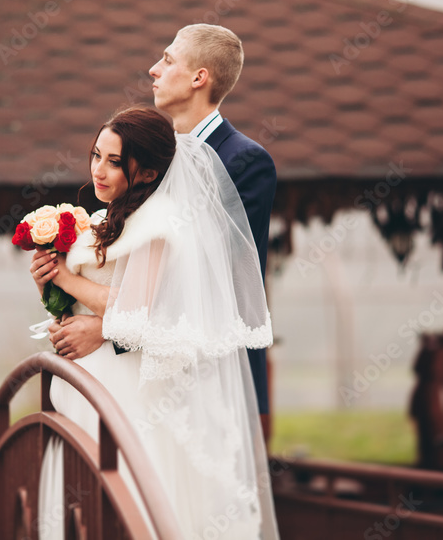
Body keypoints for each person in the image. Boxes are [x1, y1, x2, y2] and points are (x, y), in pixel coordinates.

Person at [29, 106, 279, 539]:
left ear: (145, 173)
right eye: (96, 156)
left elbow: (139, 310)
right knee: (84, 507)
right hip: (88, 384)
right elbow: (88, 303)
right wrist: (51, 289)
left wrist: (68, 279)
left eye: (113, 162)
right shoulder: (106, 219)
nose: (98, 170)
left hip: (129, 391)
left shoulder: (159, 223)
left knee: (125, 501)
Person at [49, 23, 278, 440]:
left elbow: (213, 281)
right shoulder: (147, 153)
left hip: (206, 371)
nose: (154, 69)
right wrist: (65, 300)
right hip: (135, 376)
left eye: (168, 59)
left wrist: (104, 330)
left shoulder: (244, 161)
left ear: (198, 78)